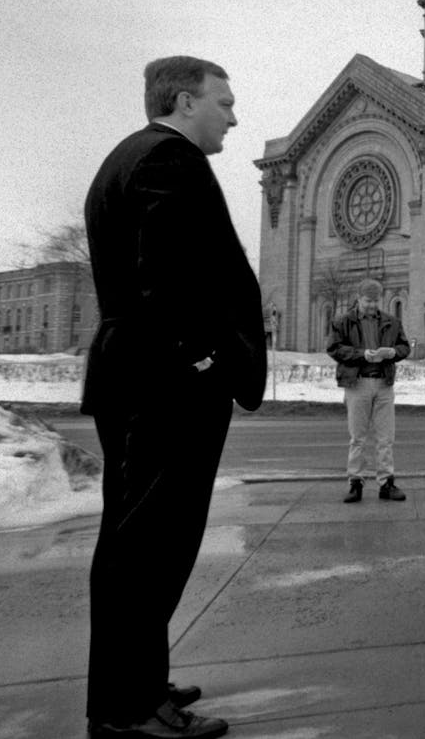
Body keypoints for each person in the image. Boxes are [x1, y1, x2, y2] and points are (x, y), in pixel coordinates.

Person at [82, 56, 267, 738]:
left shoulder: (125, 159)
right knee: (148, 548)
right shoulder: (170, 159)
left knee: (141, 543)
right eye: (224, 101)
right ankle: (130, 711)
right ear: (186, 101)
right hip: (163, 382)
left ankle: (138, 683)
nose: (234, 115)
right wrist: (208, 360)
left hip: (136, 373)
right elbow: (169, 281)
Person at [329, 278, 412, 503]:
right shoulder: (343, 321)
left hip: (384, 384)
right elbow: (334, 348)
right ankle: (355, 483)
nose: (372, 305)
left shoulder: (391, 322)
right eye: (368, 301)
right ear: (359, 298)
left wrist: (393, 353)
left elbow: (405, 347)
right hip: (358, 384)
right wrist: (361, 355)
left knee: (386, 438)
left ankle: (386, 483)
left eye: (375, 301)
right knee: (358, 437)